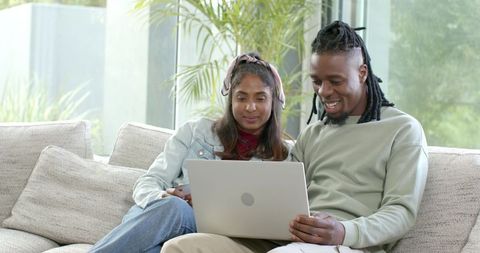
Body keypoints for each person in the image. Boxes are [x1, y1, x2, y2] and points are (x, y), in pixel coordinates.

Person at [160, 20, 428, 253]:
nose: (324, 92)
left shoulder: (403, 130)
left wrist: (344, 231)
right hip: (287, 240)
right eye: (317, 81)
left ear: (362, 73)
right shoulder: (314, 133)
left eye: (335, 81)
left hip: (346, 245)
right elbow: (276, 194)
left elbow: (401, 212)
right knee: (181, 247)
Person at [89, 52, 290, 253]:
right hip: (164, 218)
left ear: (273, 102)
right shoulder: (195, 132)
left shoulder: (284, 155)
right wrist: (163, 196)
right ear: (230, 101)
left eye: (260, 98)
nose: (250, 107)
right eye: (241, 97)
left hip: (209, 236)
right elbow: (148, 181)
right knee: (171, 211)